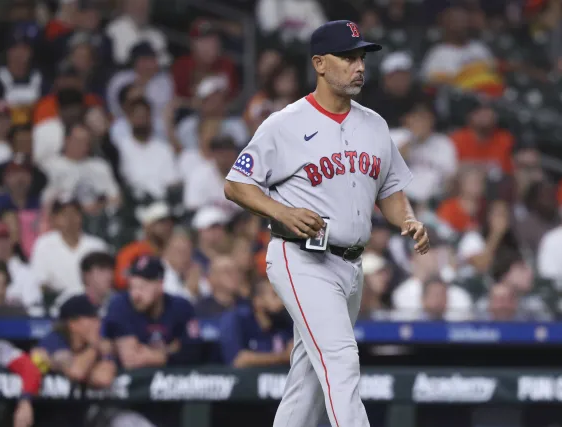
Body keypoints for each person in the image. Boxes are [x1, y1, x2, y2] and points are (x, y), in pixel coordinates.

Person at [224, 20, 428, 427]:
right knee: (340, 359)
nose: (359, 66)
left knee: (308, 381)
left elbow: (389, 190)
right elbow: (236, 185)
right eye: (348, 57)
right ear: (319, 63)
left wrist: (407, 219)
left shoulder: (375, 125)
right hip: (301, 258)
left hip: (351, 265)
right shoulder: (285, 123)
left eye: (361, 57)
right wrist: (281, 211)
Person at [102, 255, 200, 427]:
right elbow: (131, 360)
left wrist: (151, 354)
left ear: (159, 285)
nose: (135, 294)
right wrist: (169, 352)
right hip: (128, 402)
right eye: (132, 286)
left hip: (172, 402)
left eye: (142, 287)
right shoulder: (121, 304)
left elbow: (194, 351)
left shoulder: (180, 306)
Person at [30, 295, 116, 427]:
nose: (98, 323)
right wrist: (94, 349)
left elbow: (103, 378)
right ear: (73, 324)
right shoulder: (54, 340)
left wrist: (89, 355)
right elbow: (76, 372)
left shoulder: (98, 343)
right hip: (48, 418)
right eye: (91, 318)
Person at [217, 280, 294, 367]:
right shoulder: (238, 320)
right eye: (275, 295)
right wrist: (282, 357)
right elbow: (238, 360)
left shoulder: (286, 322)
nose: (282, 301)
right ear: (258, 301)